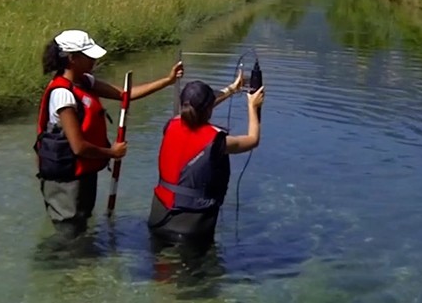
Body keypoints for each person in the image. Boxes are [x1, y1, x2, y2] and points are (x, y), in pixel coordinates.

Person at [34, 29, 183, 236]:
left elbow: (124, 95)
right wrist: (112, 153)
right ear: (72, 58)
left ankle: (82, 267)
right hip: (65, 179)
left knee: (81, 227)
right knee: (68, 234)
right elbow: (78, 146)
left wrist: (167, 81)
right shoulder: (62, 95)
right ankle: (65, 267)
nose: (93, 61)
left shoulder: (85, 81)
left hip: (83, 172)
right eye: (88, 56)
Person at [147, 72, 265, 246]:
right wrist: (252, 106)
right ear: (209, 109)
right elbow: (253, 140)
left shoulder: (171, 124)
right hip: (192, 225)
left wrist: (232, 89)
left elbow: (198, 108)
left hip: (158, 216)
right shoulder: (217, 142)